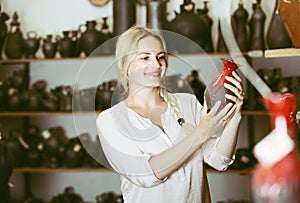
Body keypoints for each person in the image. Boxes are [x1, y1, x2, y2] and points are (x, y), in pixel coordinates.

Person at [96, 26, 244, 203]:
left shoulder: (187, 103)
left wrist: (235, 115)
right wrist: (200, 133)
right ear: (125, 64)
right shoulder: (111, 120)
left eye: (161, 57)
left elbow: (219, 159)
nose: (156, 64)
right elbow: (147, 174)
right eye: (145, 57)